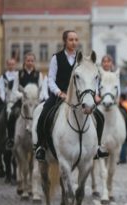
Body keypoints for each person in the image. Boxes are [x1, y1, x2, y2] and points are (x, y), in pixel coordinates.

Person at [35, 30, 108, 161]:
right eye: (71, 40)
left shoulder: (81, 60)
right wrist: (59, 92)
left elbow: (91, 78)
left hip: (78, 96)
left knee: (100, 117)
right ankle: (41, 146)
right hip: (59, 94)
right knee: (44, 114)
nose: (74, 42)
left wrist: (95, 94)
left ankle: (97, 147)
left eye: (76, 40)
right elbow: (50, 79)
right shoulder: (56, 58)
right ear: (65, 41)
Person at [6, 52, 43, 149]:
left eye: (32, 61)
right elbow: (14, 90)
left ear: (34, 62)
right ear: (25, 62)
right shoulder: (19, 74)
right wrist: (21, 96)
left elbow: (41, 89)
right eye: (28, 60)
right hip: (22, 101)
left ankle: (43, 141)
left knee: (44, 116)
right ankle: (10, 139)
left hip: (35, 102)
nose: (30, 62)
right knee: (12, 115)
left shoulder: (38, 74)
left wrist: (38, 98)